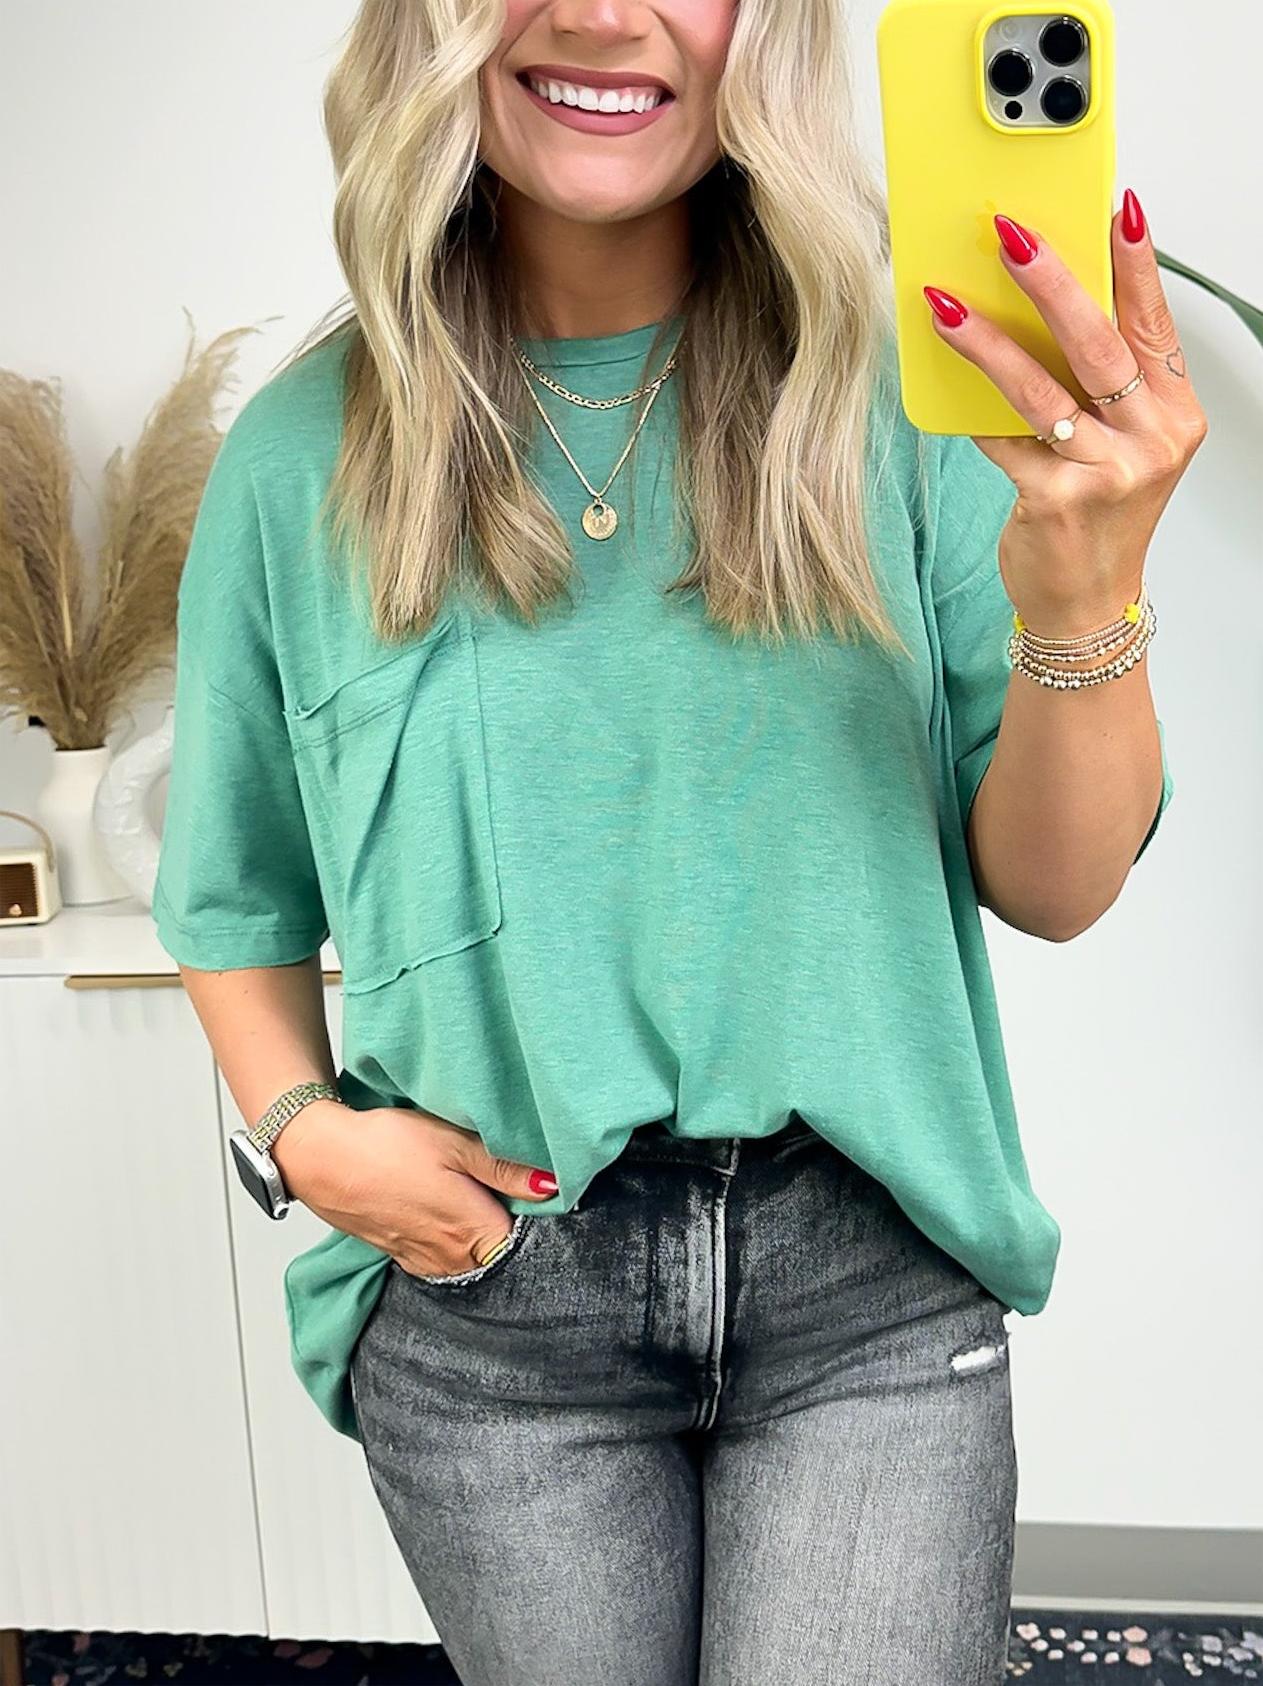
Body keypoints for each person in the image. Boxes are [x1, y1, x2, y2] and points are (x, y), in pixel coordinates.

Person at [153, 0, 1205, 1680]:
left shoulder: (907, 398)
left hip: (868, 1292)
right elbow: (231, 896)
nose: (597, 13)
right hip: (498, 1317)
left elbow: (1058, 887)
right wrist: (305, 1135)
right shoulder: (299, 459)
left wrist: (1089, 593)